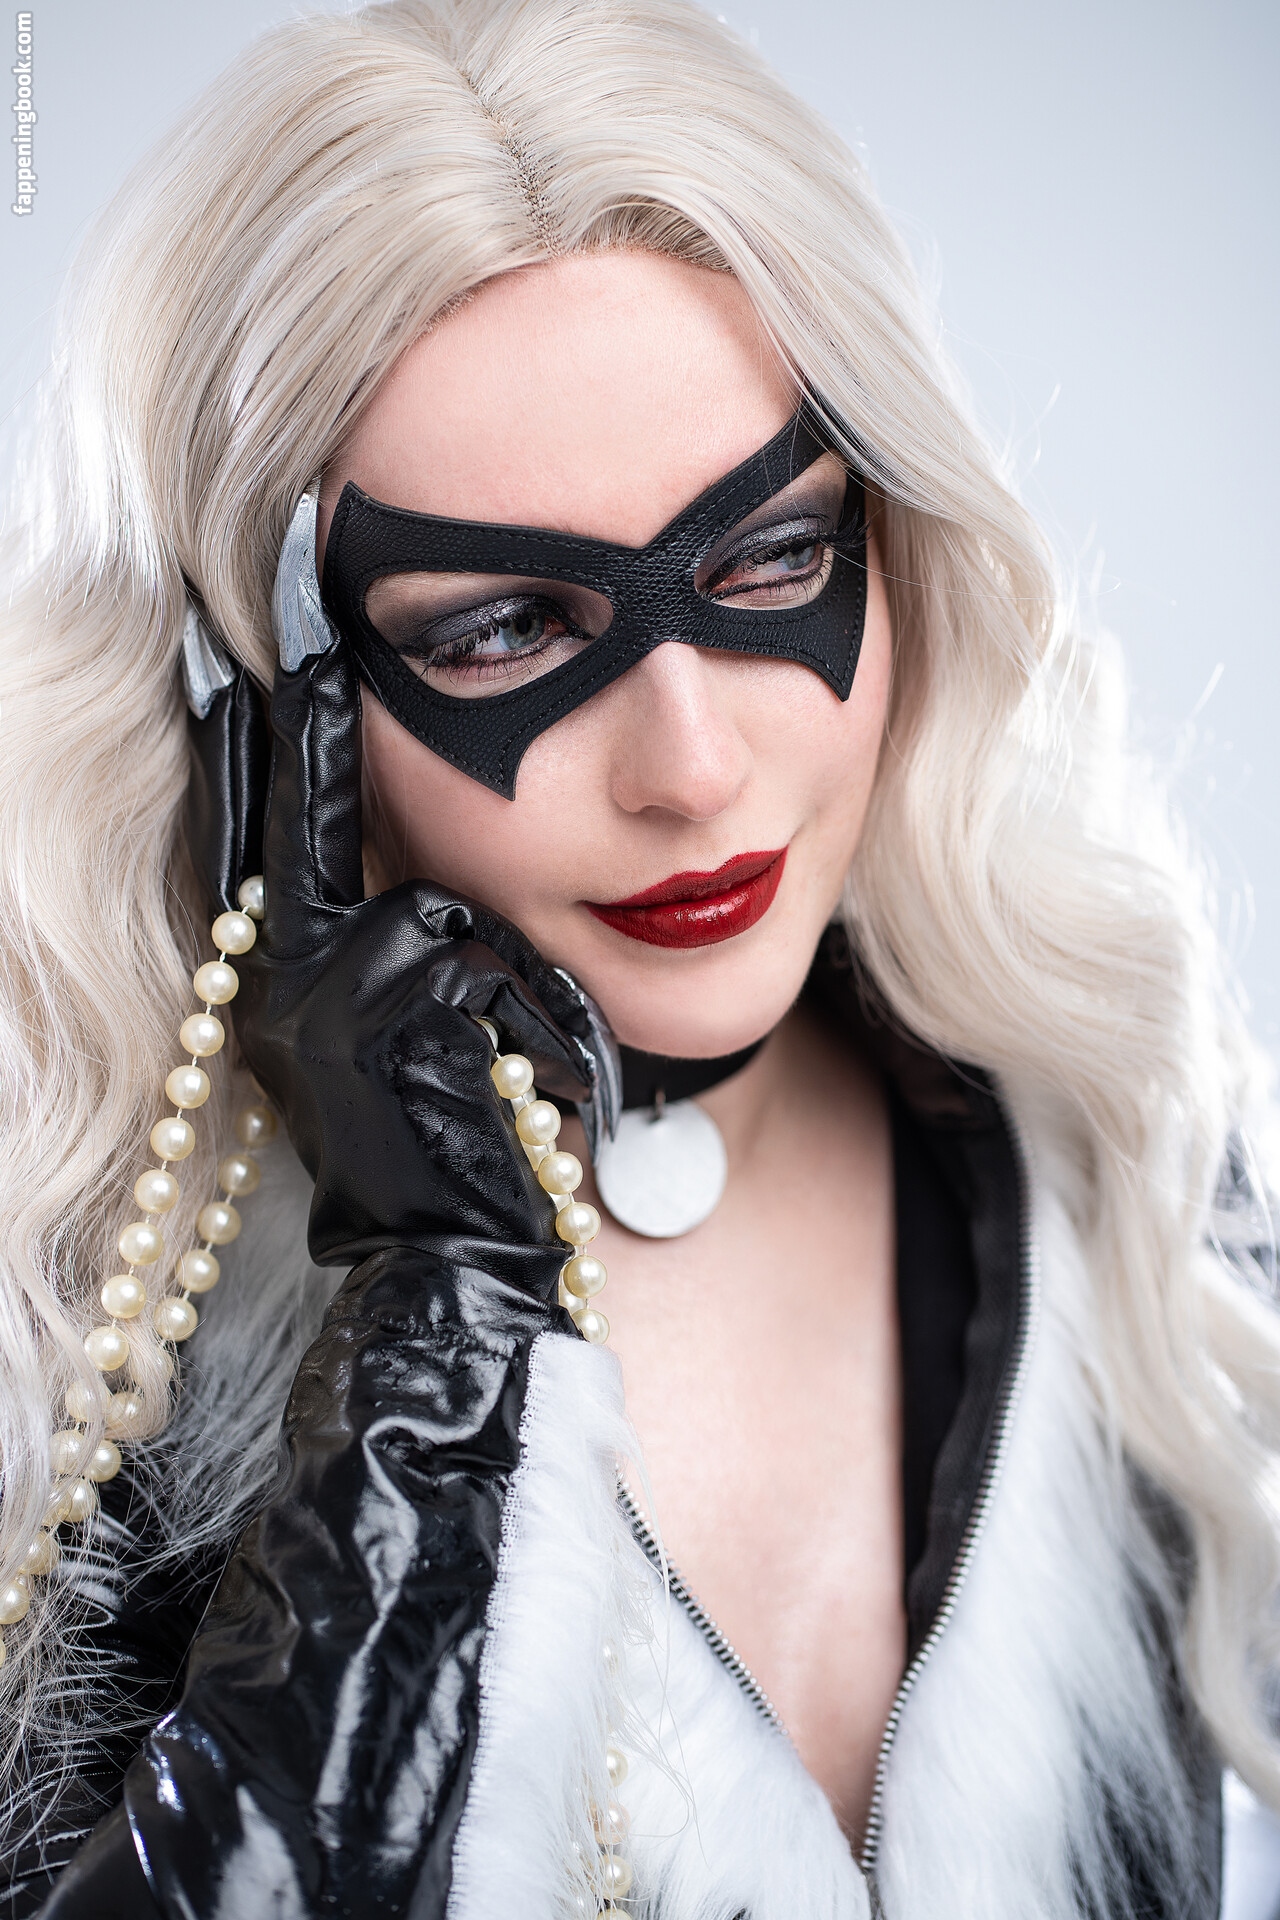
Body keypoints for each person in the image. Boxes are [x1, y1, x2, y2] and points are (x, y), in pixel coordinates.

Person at [0, 1, 1277, 1914]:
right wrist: (434, 1323)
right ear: (261, 713)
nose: (692, 769)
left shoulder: (1144, 1197)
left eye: (770, 562)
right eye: (504, 628)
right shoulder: (66, 1359)